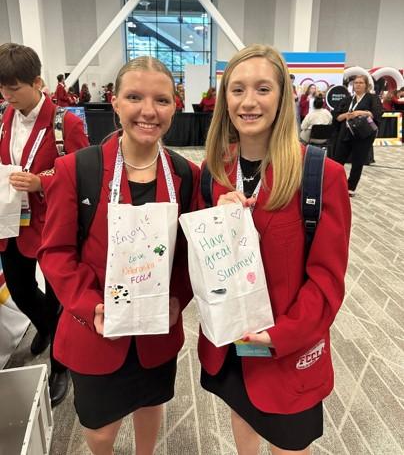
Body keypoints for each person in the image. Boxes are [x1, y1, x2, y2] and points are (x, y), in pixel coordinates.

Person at [38, 56, 199, 455]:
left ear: (175, 105)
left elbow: (188, 255)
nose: (148, 111)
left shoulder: (185, 175)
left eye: (161, 100)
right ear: (114, 102)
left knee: (149, 405)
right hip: (97, 333)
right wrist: (89, 306)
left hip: (156, 330)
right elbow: (56, 252)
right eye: (134, 97)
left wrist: (179, 296)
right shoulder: (78, 169)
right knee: (101, 429)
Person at [199, 44, 351, 455]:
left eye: (263, 89)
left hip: (287, 352)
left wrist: (281, 336)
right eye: (237, 90)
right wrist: (216, 216)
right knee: (242, 414)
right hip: (231, 343)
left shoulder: (321, 174)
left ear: (284, 97)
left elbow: (326, 283)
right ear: (224, 98)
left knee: (288, 443)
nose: (248, 102)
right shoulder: (213, 173)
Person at [0, 43, 89, 405]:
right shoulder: (4, 117)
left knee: (60, 297)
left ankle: (60, 368)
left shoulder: (65, 122)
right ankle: (47, 326)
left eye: (14, 88)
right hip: (12, 224)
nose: (7, 95)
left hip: (55, 225)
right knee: (20, 291)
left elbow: (84, 172)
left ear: (37, 82)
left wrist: (42, 181)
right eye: (2, 89)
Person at [333, 74, 383, 197]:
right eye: (356, 83)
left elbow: (376, 114)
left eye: (361, 83)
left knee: (357, 161)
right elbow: (337, 117)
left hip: (363, 135)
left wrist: (360, 113)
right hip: (346, 133)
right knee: (337, 160)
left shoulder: (372, 98)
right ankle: (333, 184)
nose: (358, 85)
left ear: (366, 85)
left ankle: (351, 187)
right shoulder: (347, 99)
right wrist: (347, 115)